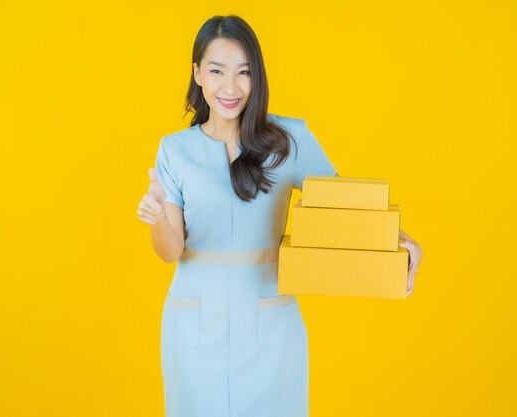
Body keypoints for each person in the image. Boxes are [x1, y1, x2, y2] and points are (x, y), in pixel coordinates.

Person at [137, 14, 422, 417]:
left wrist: (401, 243)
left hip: (270, 320)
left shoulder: (289, 140)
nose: (230, 87)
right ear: (198, 74)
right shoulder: (174, 150)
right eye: (217, 71)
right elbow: (170, 251)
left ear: (257, 77)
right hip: (194, 324)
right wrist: (157, 219)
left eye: (243, 72)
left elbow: (346, 209)